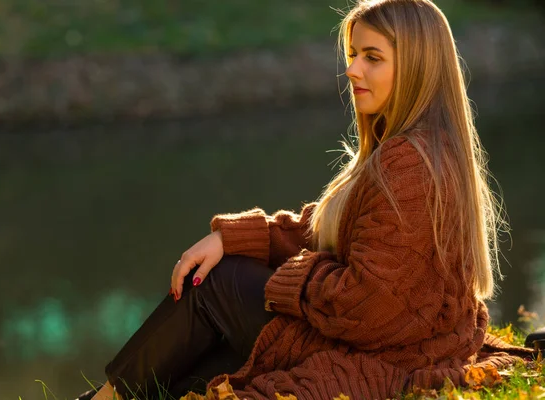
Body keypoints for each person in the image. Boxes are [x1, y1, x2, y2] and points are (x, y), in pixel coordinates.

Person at [77, 0, 537, 399]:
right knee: (188, 367)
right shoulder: (413, 147)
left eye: (373, 57)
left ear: (417, 67)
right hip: (392, 338)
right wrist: (237, 238)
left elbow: (367, 305)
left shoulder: (410, 165)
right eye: (354, 54)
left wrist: (290, 275)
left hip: (382, 349)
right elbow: (328, 230)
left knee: (216, 286)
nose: (352, 68)